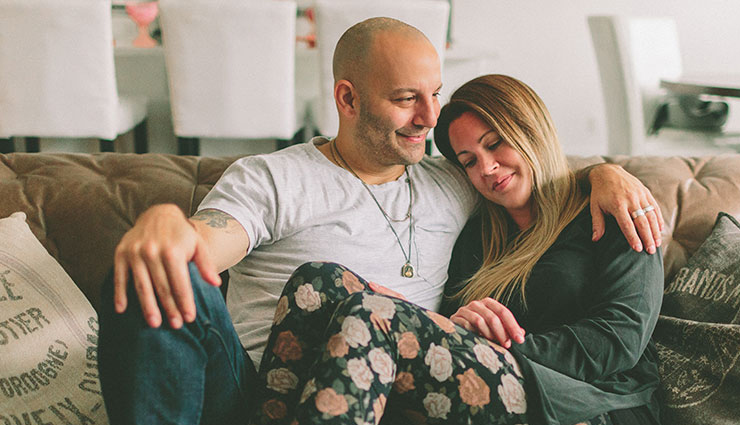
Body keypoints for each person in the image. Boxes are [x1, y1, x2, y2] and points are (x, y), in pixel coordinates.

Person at [98, 18, 663, 425]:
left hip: (395, 383)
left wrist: (607, 174)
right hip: (250, 387)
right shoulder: (274, 177)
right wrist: (167, 224)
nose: (429, 118)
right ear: (348, 99)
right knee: (162, 272)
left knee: (348, 296)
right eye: (406, 98)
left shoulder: (454, 183)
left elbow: (535, 170)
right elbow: (205, 243)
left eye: (434, 94)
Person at [249, 74, 663, 425]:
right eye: (468, 160)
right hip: (490, 377)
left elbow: (620, 340)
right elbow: (451, 331)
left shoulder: (614, 210)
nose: (486, 168)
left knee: (374, 315)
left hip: (586, 402)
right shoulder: (478, 235)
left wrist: (497, 346)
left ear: (531, 129)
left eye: (495, 143)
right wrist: (448, 325)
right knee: (317, 281)